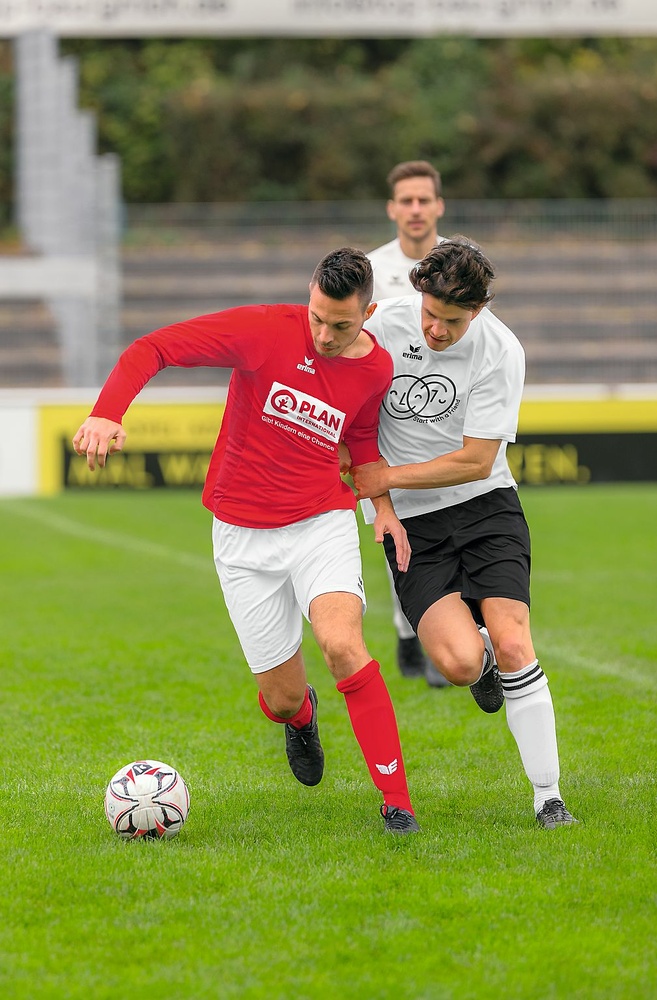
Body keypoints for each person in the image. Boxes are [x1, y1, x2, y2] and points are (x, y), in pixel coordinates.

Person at [72, 247, 419, 835]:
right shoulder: (264, 329)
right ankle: (303, 717)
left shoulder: (377, 368)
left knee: (341, 644)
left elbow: (361, 437)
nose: (325, 335)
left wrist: (381, 506)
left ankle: (397, 803)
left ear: (369, 313)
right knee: (281, 699)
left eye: (341, 324)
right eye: (317, 318)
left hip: (320, 522)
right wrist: (108, 412)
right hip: (241, 534)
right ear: (307, 297)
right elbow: (152, 348)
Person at [352, 238, 578, 829]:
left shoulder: (501, 350)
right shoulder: (386, 324)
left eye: (451, 321)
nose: (435, 330)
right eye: (429, 314)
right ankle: (478, 669)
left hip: (485, 508)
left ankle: (548, 798)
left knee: (513, 639)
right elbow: (355, 421)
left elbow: (477, 460)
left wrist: (387, 476)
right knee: (456, 662)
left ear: (476, 311)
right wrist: (383, 502)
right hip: (412, 523)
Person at [366, 159, 448, 686]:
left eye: (425, 200)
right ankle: (407, 630)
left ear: (438, 206)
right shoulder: (371, 270)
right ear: (393, 208)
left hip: (445, 419)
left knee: (459, 530)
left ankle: (446, 644)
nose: (416, 209)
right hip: (388, 425)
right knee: (400, 539)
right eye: (407, 201)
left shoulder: (463, 264)